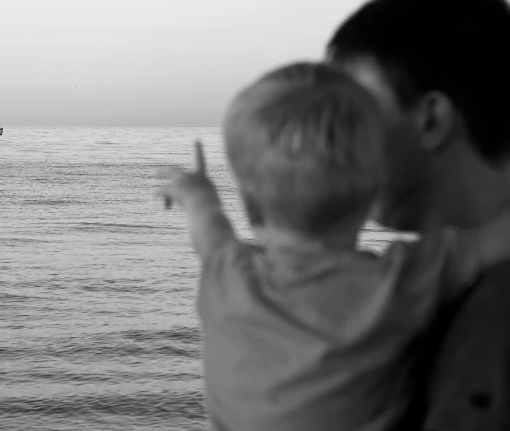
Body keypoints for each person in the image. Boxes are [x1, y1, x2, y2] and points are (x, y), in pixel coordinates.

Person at [157, 61, 510, 431]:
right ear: (375, 191)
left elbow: (207, 228)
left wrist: (197, 192)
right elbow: (496, 239)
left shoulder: (225, 273)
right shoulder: (402, 278)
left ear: (247, 200)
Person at [326, 0, 510, 430]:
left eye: (352, 117)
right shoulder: (448, 288)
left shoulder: (494, 316)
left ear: (431, 119)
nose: (331, 145)